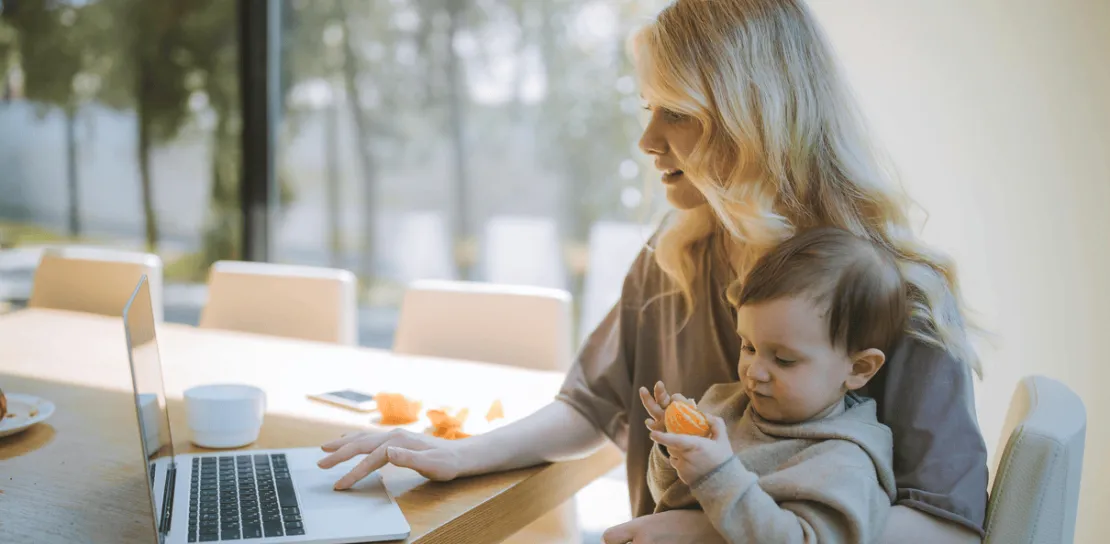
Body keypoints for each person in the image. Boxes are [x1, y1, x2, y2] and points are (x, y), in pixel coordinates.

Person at [317, 1, 989, 542]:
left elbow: (946, 525)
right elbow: (591, 405)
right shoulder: (674, 254)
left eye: (678, 113)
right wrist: (461, 453)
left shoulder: (898, 293)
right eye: (648, 109)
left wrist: (712, 530)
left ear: (752, 119)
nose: (647, 141)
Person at [643, 227, 906, 543]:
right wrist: (673, 448)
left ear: (859, 368)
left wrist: (717, 475)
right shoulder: (725, 405)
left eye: (783, 360)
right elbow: (667, 498)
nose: (755, 372)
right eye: (748, 347)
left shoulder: (845, 464)